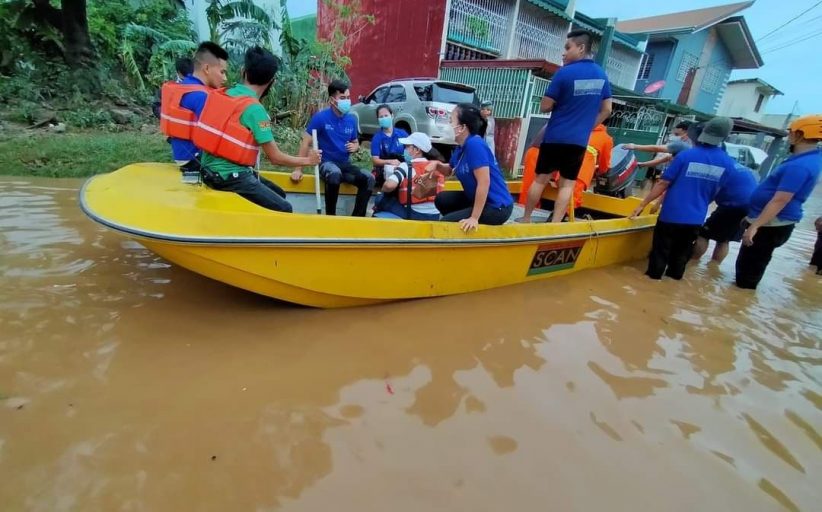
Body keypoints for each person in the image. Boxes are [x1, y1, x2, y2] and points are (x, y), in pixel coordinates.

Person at [195, 46, 321, 212]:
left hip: (208, 171)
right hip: (229, 177)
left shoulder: (224, 93)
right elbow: (275, 157)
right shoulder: (255, 110)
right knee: (284, 208)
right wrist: (308, 161)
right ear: (271, 81)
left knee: (279, 194)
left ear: (243, 71)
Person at [521, 30, 612, 223]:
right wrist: (587, 127)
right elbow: (607, 109)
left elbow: (545, 106)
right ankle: (555, 226)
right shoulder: (601, 75)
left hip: (555, 136)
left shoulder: (564, 72)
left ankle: (526, 219)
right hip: (578, 141)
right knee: (567, 185)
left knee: (540, 180)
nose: (564, 53)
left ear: (581, 48)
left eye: (567, 47)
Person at [629, 117, 736, 280]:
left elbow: (663, 183)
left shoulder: (686, 155)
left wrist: (642, 204)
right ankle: (672, 287)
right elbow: (717, 191)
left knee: (659, 254)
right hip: (695, 219)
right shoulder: (728, 164)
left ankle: (652, 282)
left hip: (670, 215)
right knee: (680, 256)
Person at [735, 114, 822, 289]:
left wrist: (755, 226)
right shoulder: (808, 159)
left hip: (770, 224)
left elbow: (780, 200)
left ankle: (739, 299)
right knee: (751, 265)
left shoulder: (799, 166)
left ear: (800, 135)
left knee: (747, 272)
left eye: (791, 132)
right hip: (771, 222)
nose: (789, 135)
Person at [424, 103, 513, 232]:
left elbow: (484, 182)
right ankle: (463, 221)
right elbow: (450, 170)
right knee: (442, 199)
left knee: (447, 223)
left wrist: (474, 218)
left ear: (462, 127)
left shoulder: (475, 145)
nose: (448, 125)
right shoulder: (461, 147)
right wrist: (437, 165)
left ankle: (470, 225)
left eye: (451, 121)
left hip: (496, 206)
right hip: (476, 199)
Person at [292, 80, 374, 216]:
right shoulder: (320, 118)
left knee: (369, 178)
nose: (347, 101)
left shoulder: (352, 120)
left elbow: (355, 142)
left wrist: (355, 147)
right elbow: (305, 142)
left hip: (345, 165)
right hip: (327, 164)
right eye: (342, 98)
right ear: (332, 100)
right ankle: (331, 217)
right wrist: (298, 169)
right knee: (335, 174)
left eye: (348, 97)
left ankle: (356, 219)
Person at [160, 42, 228, 166]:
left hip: (182, 156)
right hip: (194, 160)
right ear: (206, 68)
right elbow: (215, 137)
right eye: (222, 72)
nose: (225, 78)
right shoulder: (202, 96)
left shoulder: (185, 85)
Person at [692, 161, 758, 264]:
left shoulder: (718, 169)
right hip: (749, 207)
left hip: (733, 205)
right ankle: (713, 267)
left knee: (704, 234)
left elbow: (709, 193)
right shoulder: (737, 166)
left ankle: (692, 262)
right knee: (724, 239)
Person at [374, 132, 444, 221]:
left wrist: (383, 189)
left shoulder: (406, 166)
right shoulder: (437, 166)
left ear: (417, 150)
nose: (405, 150)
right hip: (434, 216)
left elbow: (389, 186)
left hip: (414, 214)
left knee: (380, 198)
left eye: (407, 147)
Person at [549, 123, 613, 212]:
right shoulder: (606, 138)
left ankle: (555, 216)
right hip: (581, 172)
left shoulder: (579, 128)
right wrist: (601, 171)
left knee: (562, 195)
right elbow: (604, 163)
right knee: (571, 201)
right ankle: (558, 218)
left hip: (564, 167)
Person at [625, 121, 693, 185]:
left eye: (677, 134)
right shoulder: (692, 145)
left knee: (658, 183)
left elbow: (657, 148)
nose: (675, 137)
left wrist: (634, 146)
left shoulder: (682, 144)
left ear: (685, 132)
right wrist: (643, 164)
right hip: (683, 179)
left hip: (676, 179)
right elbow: (667, 158)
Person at [370, 104, 409, 188]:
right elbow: (375, 160)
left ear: (392, 116)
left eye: (386, 115)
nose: (384, 118)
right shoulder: (377, 138)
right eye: (381, 117)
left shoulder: (402, 133)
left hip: (402, 168)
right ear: (378, 119)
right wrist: (390, 162)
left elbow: (411, 152)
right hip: (385, 171)